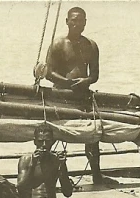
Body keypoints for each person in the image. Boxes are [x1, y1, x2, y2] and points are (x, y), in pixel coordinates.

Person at [44, 7, 103, 185]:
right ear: (67, 21)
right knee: (51, 136)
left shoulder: (91, 45)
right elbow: (48, 72)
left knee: (92, 135)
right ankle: (47, 177)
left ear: (86, 22)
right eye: (74, 20)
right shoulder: (58, 44)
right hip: (60, 94)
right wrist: (66, 83)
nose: (77, 24)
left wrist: (86, 81)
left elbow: (95, 74)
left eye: (81, 21)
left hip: (83, 94)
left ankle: (97, 175)